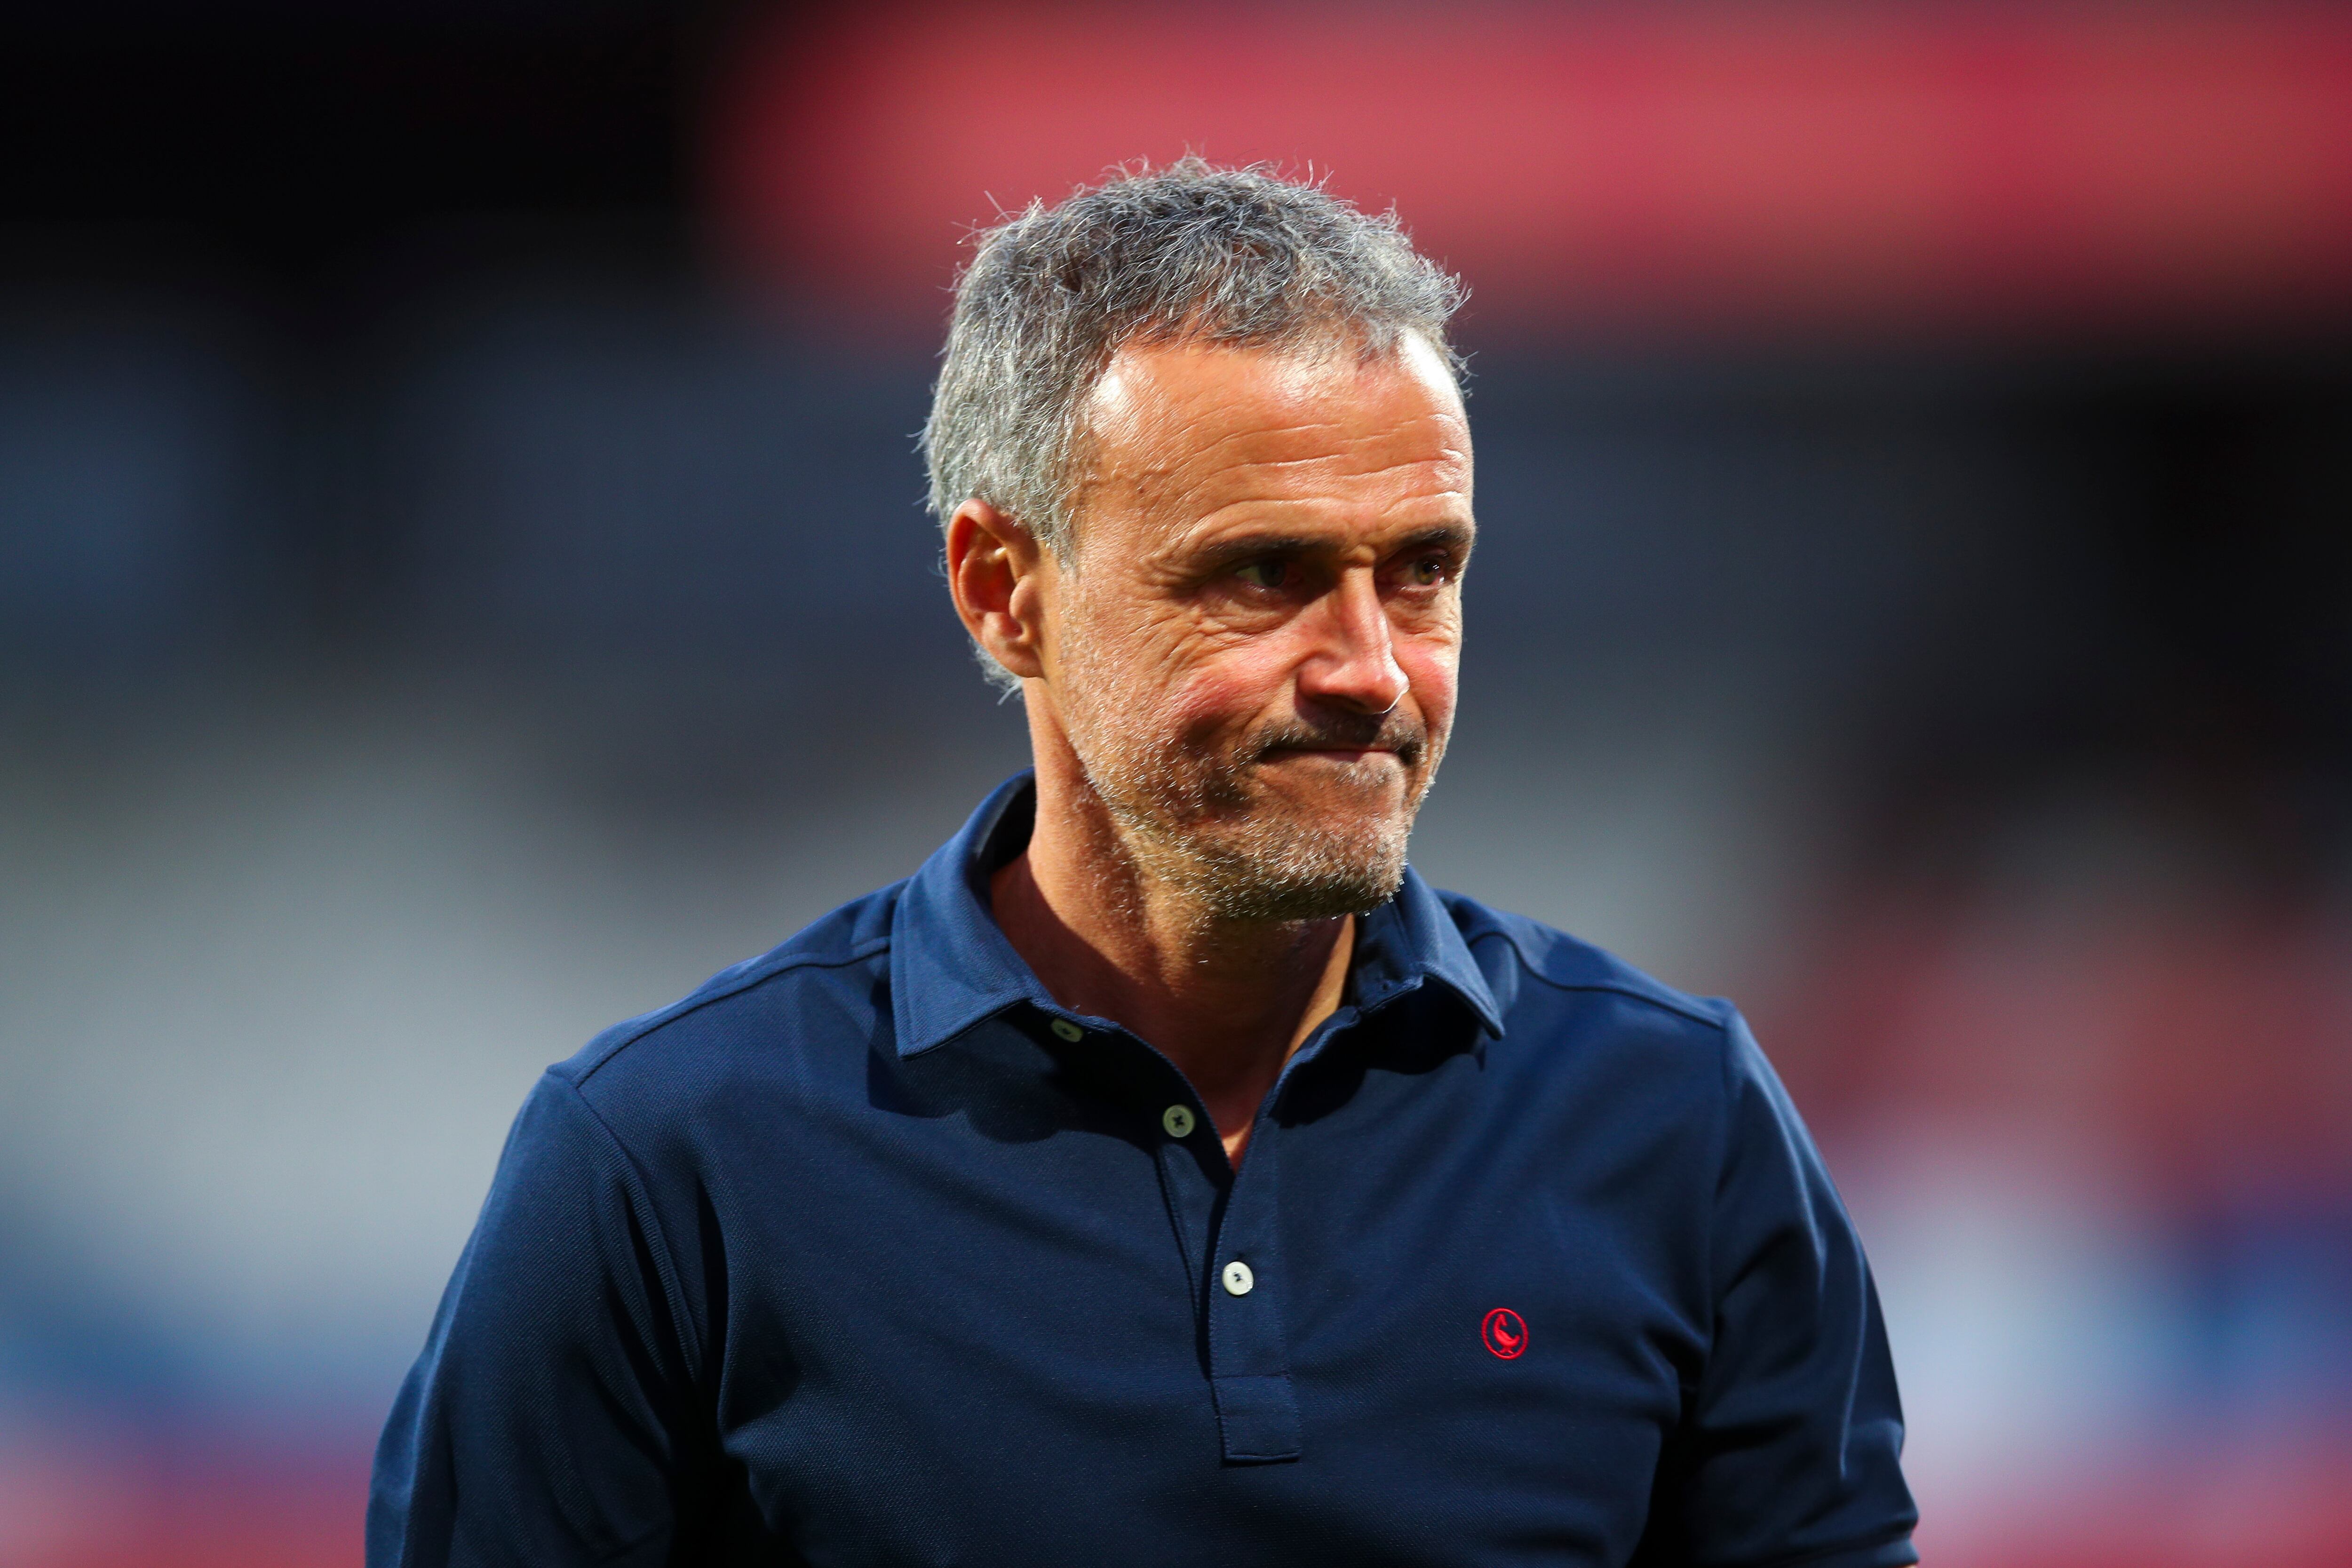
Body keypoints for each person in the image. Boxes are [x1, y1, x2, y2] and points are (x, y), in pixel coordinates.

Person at [369, 159, 1916, 1568]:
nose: (1374, 669)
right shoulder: (666, 1166)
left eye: (1423, 571)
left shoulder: (1677, 1120)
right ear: (1001, 589)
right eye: (1265, 574)